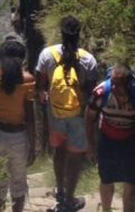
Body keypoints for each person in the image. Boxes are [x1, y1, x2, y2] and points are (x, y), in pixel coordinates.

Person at [35, 16, 100, 212]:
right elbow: (91, 91)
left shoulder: (47, 55)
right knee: (75, 155)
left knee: (59, 151)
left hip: (56, 113)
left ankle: (60, 191)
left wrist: (46, 101)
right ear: (79, 34)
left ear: (61, 33)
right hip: (79, 115)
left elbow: (40, 86)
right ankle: (70, 198)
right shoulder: (88, 59)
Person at [85, 63, 135, 212]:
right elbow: (89, 117)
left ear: (128, 84)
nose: (114, 88)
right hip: (107, 139)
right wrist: (91, 145)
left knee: (131, 182)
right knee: (106, 179)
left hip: (132, 141)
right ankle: (106, 209)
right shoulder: (101, 93)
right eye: (113, 84)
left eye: (118, 85)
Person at [0, 33, 37, 212]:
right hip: (18, 136)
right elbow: (30, 117)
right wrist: (33, 146)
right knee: (18, 182)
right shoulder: (28, 79)